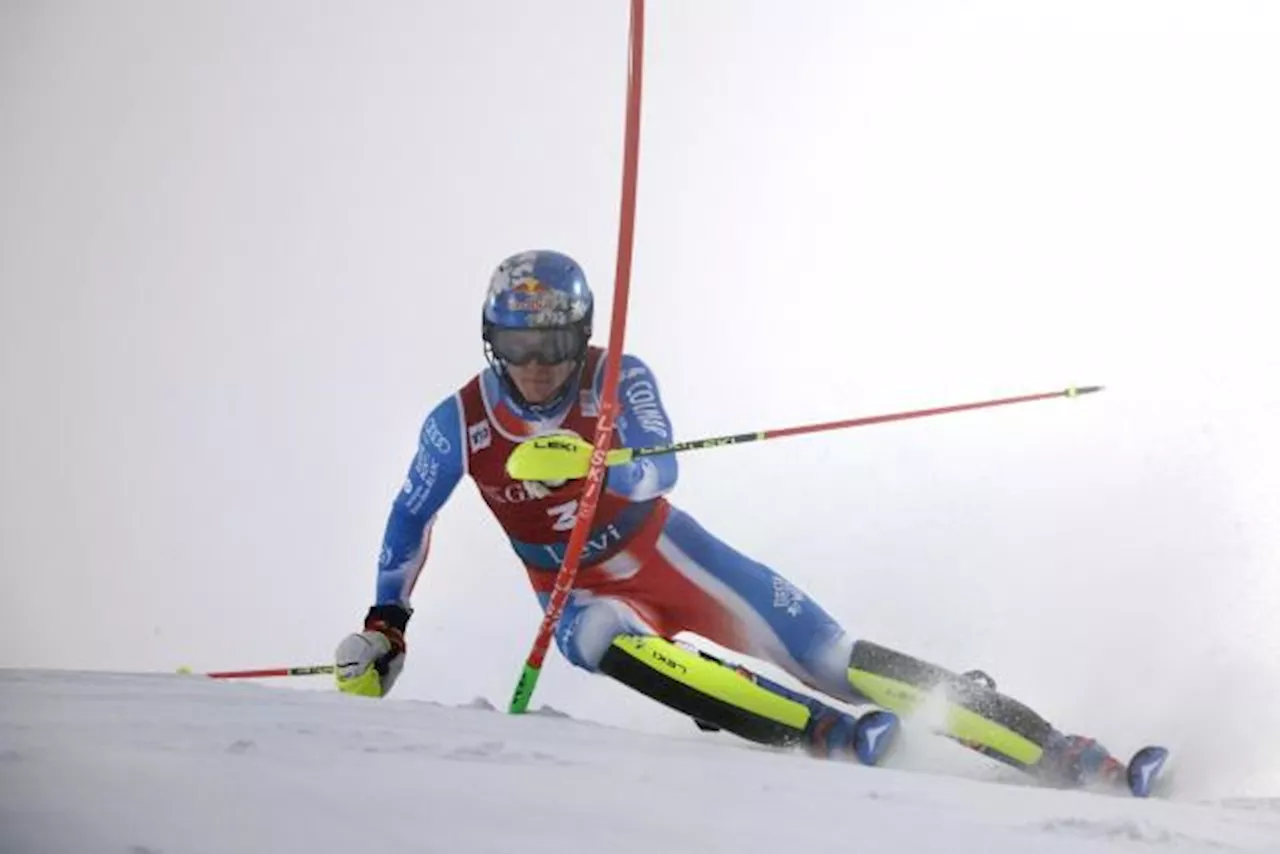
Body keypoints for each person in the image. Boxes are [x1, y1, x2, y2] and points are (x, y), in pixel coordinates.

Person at [334, 249, 1134, 788]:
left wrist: (600, 460)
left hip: (669, 553)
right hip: (576, 588)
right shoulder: (459, 423)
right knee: (595, 640)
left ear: (581, 336)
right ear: (491, 342)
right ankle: (825, 735)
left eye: (553, 344)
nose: (537, 366)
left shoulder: (618, 376)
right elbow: (412, 521)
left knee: (837, 655)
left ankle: (1065, 753)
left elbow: (661, 467)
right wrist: (386, 628)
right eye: (518, 344)